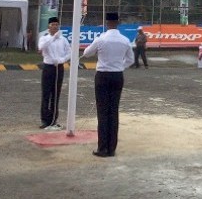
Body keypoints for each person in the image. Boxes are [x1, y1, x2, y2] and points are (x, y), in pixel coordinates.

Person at [80, 12, 134, 158]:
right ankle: (112, 148)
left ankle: (102, 147)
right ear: (118, 22)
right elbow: (130, 60)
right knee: (113, 111)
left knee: (102, 112)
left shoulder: (101, 39)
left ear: (107, 23)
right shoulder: (125, 40)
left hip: (103, 75)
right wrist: (119, 66)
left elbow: (86, 53)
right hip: (117, 75)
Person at [38, 16, 71, 130]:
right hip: (48, 67)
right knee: (46, 94)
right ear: (49, 26)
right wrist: (53, 38)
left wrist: (62, 60)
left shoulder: (63, 39)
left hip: (59, 67)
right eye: (53, 25)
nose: (55, 27)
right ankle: (45, 119)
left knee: (56, 93)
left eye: (56, 25)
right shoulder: (44, 38)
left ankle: (53, 119)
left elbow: (69, 52)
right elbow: (41, 47)